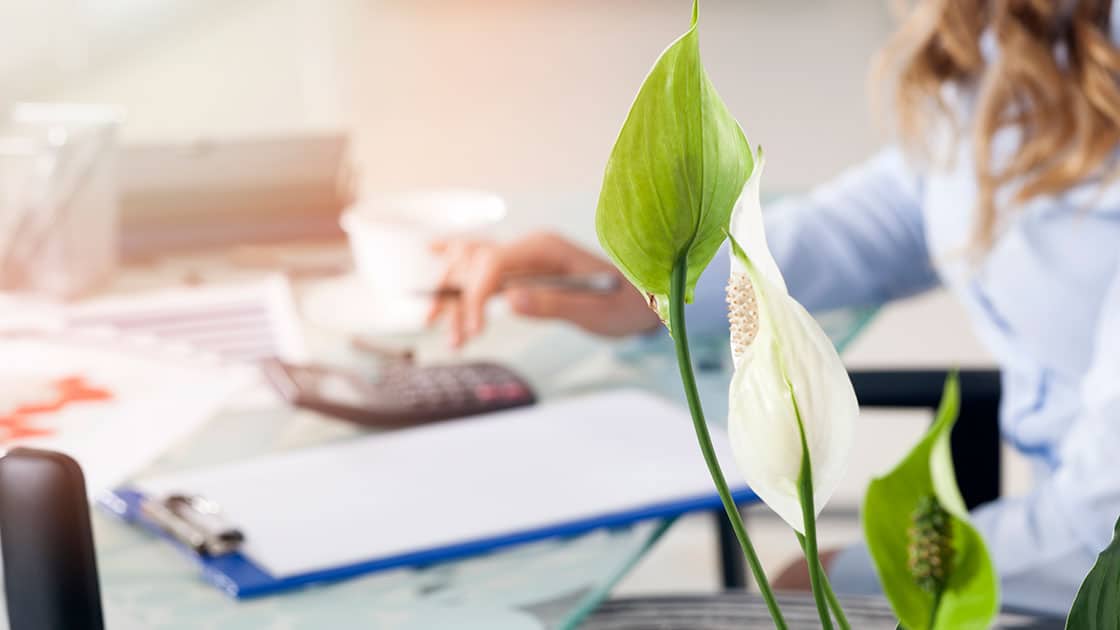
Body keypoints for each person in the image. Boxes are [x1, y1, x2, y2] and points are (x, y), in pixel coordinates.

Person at [427, 0, 1120, 615]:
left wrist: (849, 574)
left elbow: (1101, 522)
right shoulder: (1022, 26)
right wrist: (653, 284)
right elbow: (912, 201)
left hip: (1079, 573)